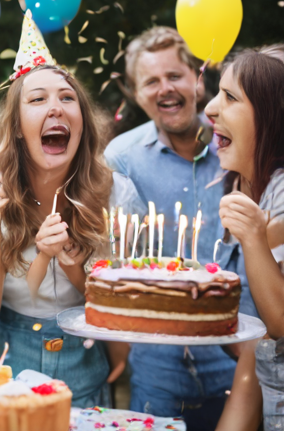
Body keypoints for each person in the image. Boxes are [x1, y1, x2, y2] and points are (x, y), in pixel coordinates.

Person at [0, 10, 142, 407]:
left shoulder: (117, 194)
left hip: (86, 368)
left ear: (82, 123)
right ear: (17, 126)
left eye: (67, 98)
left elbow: (123, 318)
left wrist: (75, 268)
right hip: (0, 368)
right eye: (37, 99)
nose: (56, 108)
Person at [103, 27, 251, 431]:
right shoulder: (121, 159)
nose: (165, 88)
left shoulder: (237, 143)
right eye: (151, 81)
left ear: (198, 80)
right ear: (136, 94)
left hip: (237, 355)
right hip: (157, 366)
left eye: (175, 76)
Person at [205, 50, 284, 431]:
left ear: (271, 114)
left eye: (230, 97)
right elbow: (256, 354)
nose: (210, 107)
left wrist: (254, 237)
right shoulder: (257, 192)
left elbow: (282, 320)